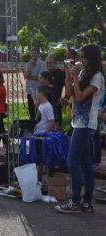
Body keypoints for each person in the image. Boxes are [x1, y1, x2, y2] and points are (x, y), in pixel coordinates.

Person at [55, 44, 104, 214]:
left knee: (72, 161)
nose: (80, 60)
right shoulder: (84, 73)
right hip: (78, 122)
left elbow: (81, 97)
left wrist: (75, 76)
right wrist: (69, 77)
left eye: (83, 57)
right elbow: (70, 93)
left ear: (91, 58)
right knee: (85, 163)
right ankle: (87, 203)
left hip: (86, 124)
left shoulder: (97, 77)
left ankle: (76, 201)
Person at [24, 48, 46, 120]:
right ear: (30, 54)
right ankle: (32, 124)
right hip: (30, 91)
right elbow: (26, 76)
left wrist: (29, 77)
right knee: (31, 109)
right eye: (32, 53)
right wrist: (30, 65)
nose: (34, 55)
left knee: (38, 110)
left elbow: (40, 77)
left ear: (38, 54)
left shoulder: (42, 64)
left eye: (35, 53)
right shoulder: (28, 64)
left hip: (39, 90)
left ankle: (38, 124)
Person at [45, 55, 65, 130]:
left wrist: (64, 97)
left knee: (57, 124)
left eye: (51, 63)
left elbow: (68, 85)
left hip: (56, 103)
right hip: (46, 104)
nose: (49, 64)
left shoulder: (60, 73)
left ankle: (59, 138)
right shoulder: (45, 74)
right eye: (47, 63)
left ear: (55, 63)